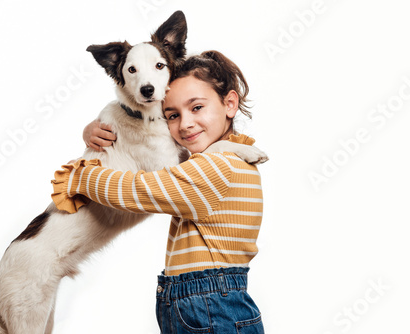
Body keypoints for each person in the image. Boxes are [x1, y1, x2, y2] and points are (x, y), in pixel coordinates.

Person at [52, 50, 265, 333]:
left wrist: (81, 175)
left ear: (230, 103)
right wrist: (95, 130)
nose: (185, 124)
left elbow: (139, 190)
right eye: (172, 115)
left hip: (213, 307)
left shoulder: (217, 169)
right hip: (201, 303)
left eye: (197, 108)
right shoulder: (216, 160)